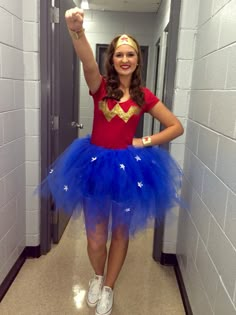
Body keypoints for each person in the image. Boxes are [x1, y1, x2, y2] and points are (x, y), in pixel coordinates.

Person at [41, 7, 184, 315]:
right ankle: (96, 276)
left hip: (128, 170)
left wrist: (142, 141)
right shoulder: (101, 87)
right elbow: (86, 60)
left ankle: (108, 286)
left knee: (120, 233)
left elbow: (175, 126)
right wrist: (75, 30)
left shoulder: (144, 96)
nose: (124, 59)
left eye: (130, 54)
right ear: (113, 59)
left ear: (137, 60)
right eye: (119, 54)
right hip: (94, 166)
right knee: (95, 238)